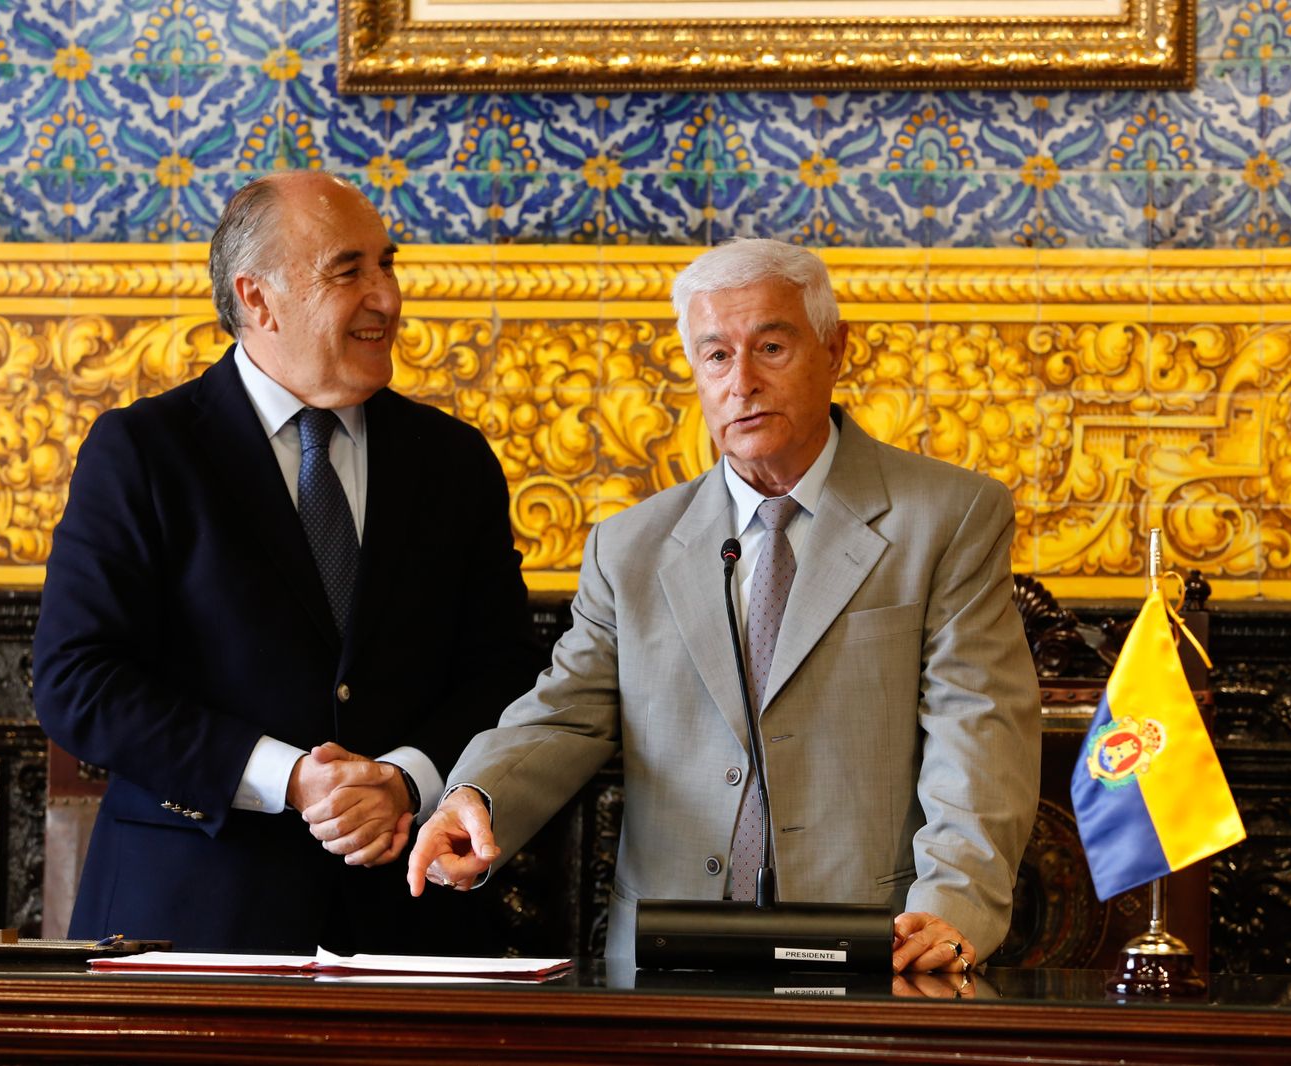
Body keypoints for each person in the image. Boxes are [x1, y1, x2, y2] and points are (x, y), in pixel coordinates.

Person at [407, 238, 1041, 972]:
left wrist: (950, 907)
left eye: (771, 347)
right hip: (668, 961)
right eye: (715, 356)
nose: (742, 382)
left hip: (879, 950)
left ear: (836, 351)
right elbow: (564, 713)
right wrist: (477, 798)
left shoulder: (947, 518)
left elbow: (979, 731)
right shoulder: (632, 546)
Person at [34, 172, 538, 955]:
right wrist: (295, 779)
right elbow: (79, 683)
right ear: (257, 299)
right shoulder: (144, 453)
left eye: (387, 265)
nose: (387, 298)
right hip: (186, 927)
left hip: (411, 923)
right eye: (349, 271)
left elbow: (504, 672)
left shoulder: (452, 461)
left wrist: (404, 779)